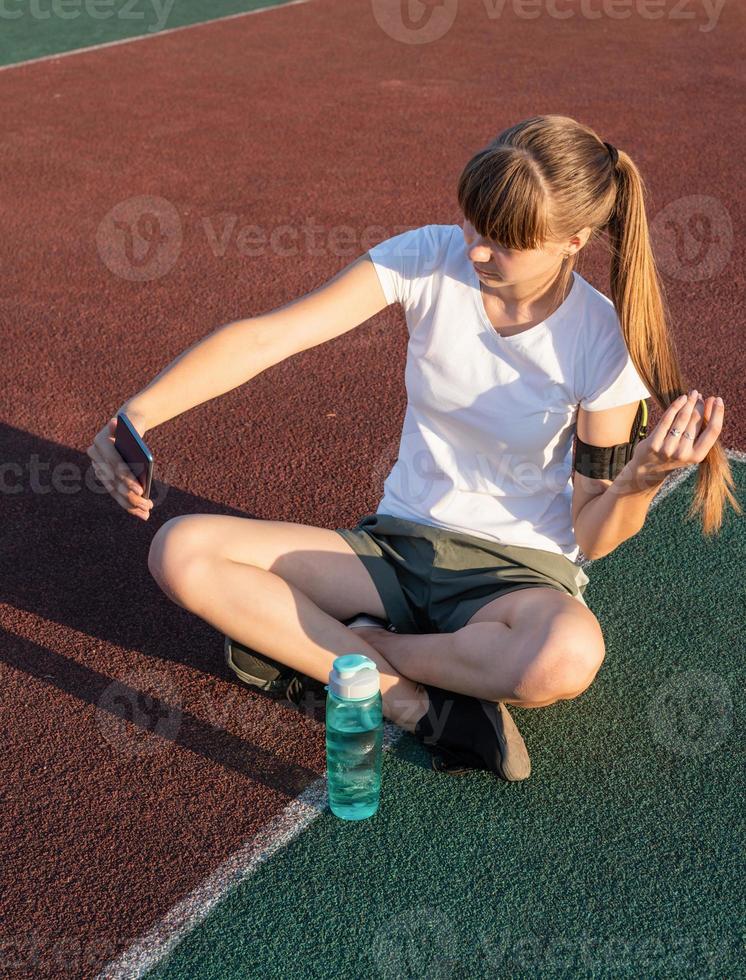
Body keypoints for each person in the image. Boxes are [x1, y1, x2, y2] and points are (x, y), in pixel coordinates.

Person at [87, 114, 737, 783]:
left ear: (573, 241)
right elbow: (269, 338)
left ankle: (354, 650)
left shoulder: (602, 339)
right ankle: (411, 705)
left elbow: (592, 536)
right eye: (472, 223)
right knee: (181, 551)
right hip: (395, 550)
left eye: (504, 242)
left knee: (566, 656)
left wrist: (640, 481)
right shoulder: (428, 257)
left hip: (514, 582)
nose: (476, 250)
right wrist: (134, 416)